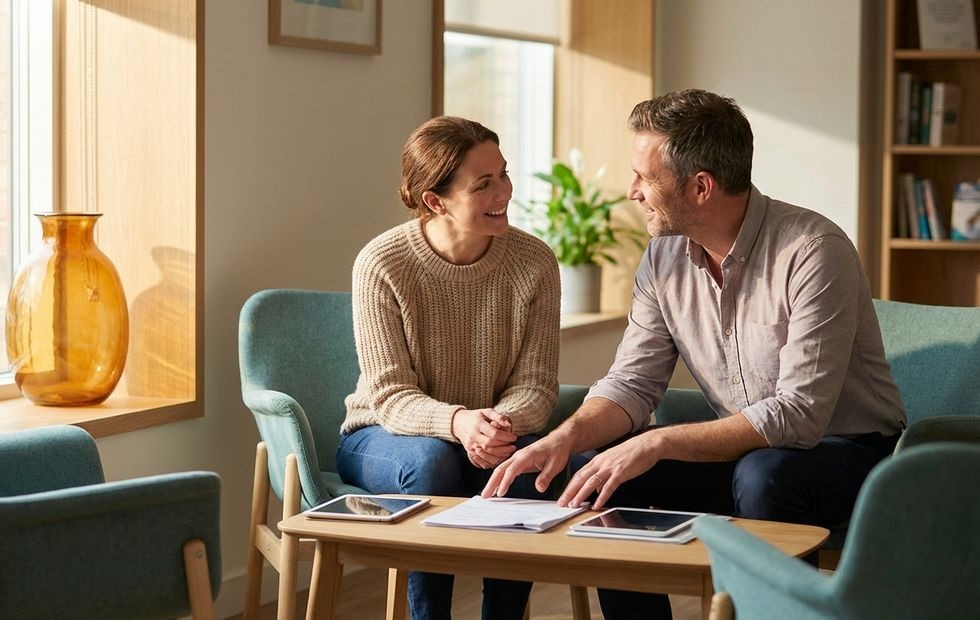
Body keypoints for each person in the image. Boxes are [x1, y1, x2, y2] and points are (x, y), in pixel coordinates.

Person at [483, 89, 907, 619]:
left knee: (764, 475)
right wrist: (564, 437)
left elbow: (798, 415)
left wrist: (658, 442)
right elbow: (632, 385)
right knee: (604, 473)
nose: (631, 191)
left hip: (853, 451)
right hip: (745, 449)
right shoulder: (663, 258)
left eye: (644, 176)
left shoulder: (813, 250)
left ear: (700, 187)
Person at [337, 115, 561, 620]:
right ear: (435, 201)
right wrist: (460, 423)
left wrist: (499, 427)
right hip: (380, 434)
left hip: (490, 434)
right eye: (484, 184)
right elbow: (390, 395)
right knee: (433, 463)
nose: (504, 191)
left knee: (526, 470)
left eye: (503, 174)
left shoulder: (535, 262)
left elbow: (536, 384)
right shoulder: (382, 263)